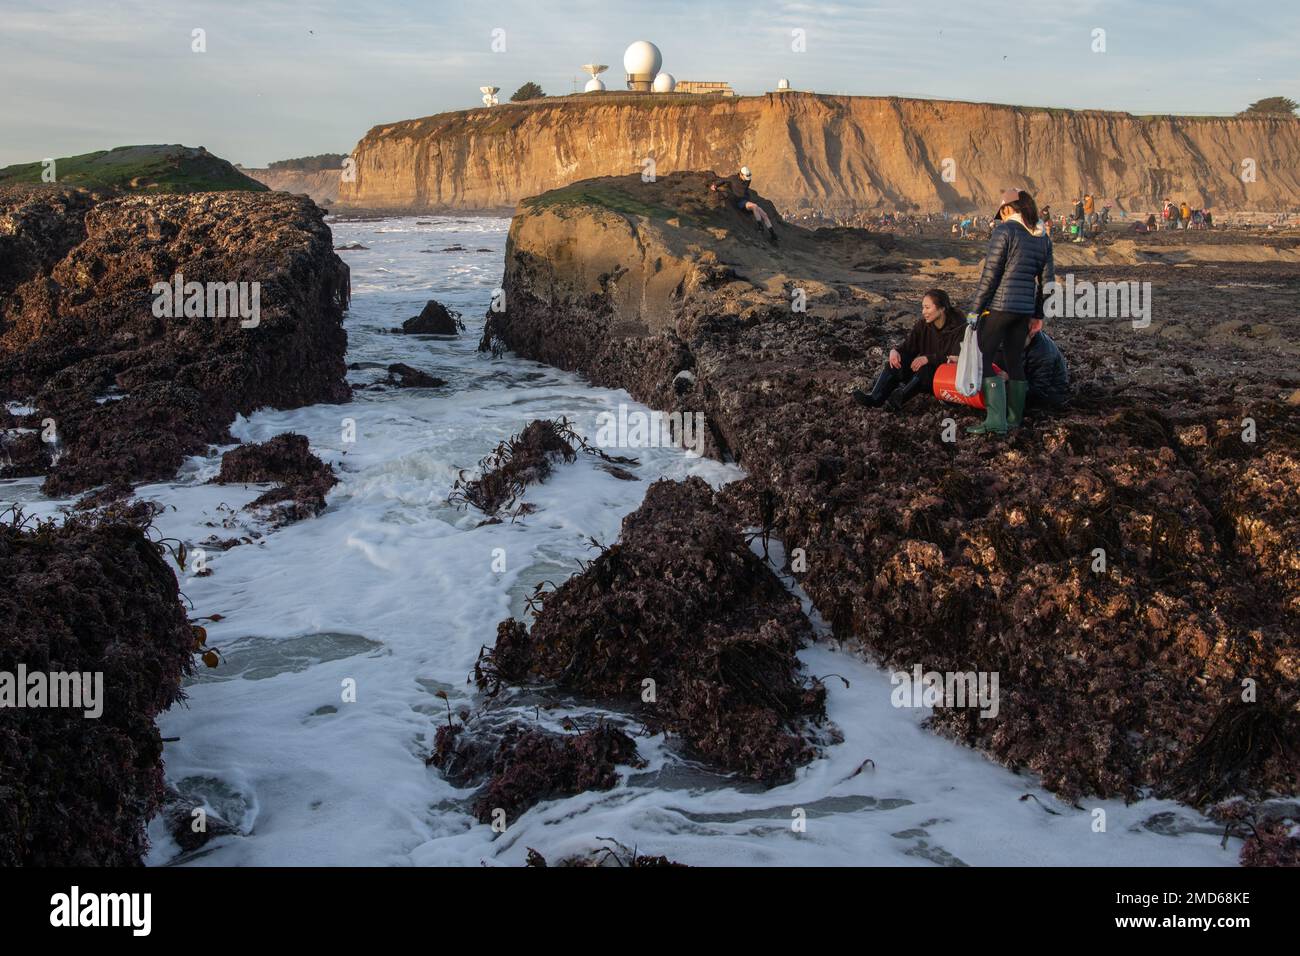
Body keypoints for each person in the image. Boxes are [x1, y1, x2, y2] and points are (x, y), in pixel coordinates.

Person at [964, 188, 1055, 435]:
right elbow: (1048, 283)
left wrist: (975, 310)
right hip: (1024, 311)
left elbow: (990, 276)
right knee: (1015, 361)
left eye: (1001, 212)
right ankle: (1014, 418)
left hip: (1001, 307)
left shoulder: (1004, 231)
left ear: (1007, 209)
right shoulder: (1043, 238)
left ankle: (995, 421)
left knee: (984, 356)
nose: (1000, 218)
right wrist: (1038, 315)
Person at [852, 289, 964, 412]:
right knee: (896, 362)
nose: (923, 312)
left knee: (925, 369)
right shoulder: (922, 325)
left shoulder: (959, 327)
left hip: (941, 379)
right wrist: (895, 352)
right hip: (920, 376)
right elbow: (908, 349)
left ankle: (899, 399)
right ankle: (875, 398)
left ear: (942, 308)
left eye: (927, 308)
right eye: (923, 308)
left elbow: (956, 359)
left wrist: (928, 359)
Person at [993, 318, 1070, 412]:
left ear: (1032, 333)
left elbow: (1039, 391)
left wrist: (1010, 381)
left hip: (1048, 394)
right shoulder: (1005, 340)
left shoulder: (1044, 355)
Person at [709, 166, 777, 242]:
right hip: (740, 202)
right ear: (741, 174)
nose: (747, 179)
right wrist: (715, 185)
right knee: (755, 206)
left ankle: (773, 234)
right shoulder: (733, 178)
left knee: (764, 215)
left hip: (747, 201)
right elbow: (723, 180)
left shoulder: (748, 180)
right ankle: (760, 227)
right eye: (745, 177)